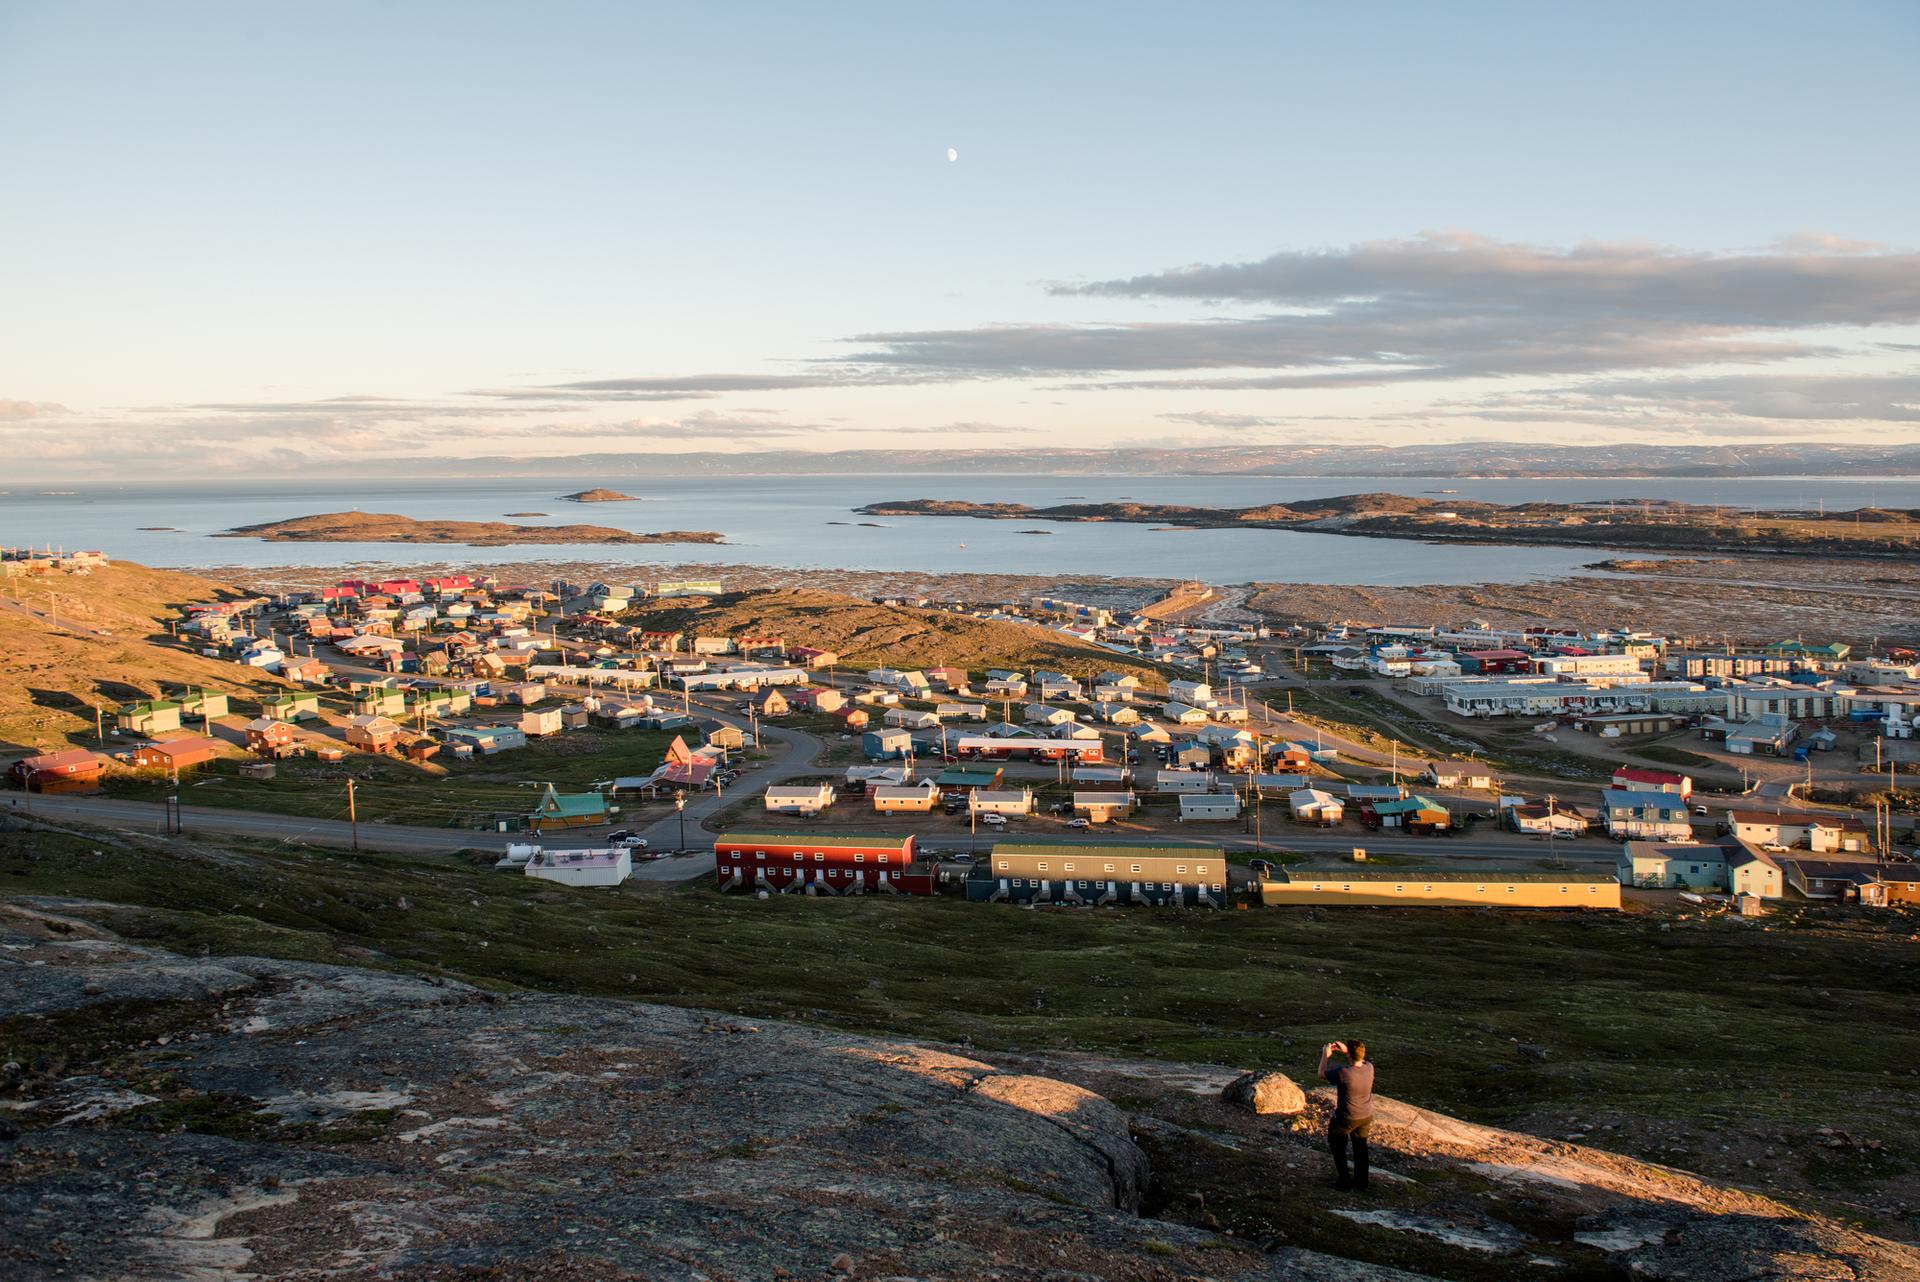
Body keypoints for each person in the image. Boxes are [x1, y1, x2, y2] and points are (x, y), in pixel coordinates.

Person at [1318, 1038, 1374, 1191]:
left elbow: (1321, 1074)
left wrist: (1325, 1055)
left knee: (1337, 1146)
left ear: (1350, 1055)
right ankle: (1361, 1183)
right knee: (1360, 1148)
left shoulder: (1344, 1073)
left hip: (1346, 1117)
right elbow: (1359, 1059)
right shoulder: (1369, 1068)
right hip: (1365, 1116)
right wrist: (1347, 1051)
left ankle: (1344, 1182)